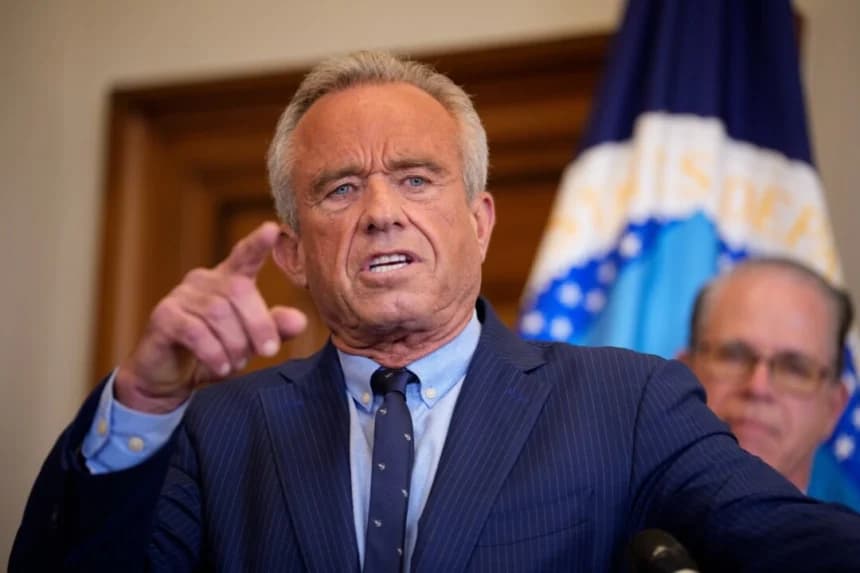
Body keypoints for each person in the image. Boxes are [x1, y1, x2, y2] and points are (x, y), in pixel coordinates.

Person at [10, 51, 860, 573]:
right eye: (341, 188)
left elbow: (780, 538)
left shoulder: (627, 402)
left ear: (478, 221)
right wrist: (148, 400)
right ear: (296, 251)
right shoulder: (214, 431)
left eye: (416, 178)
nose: (382, 211)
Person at [681, 258, 852, 499]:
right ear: (682, 375)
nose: (758, 387)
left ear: (833, 408)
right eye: (734, 356)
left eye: (795, 369)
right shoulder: (613, 519)